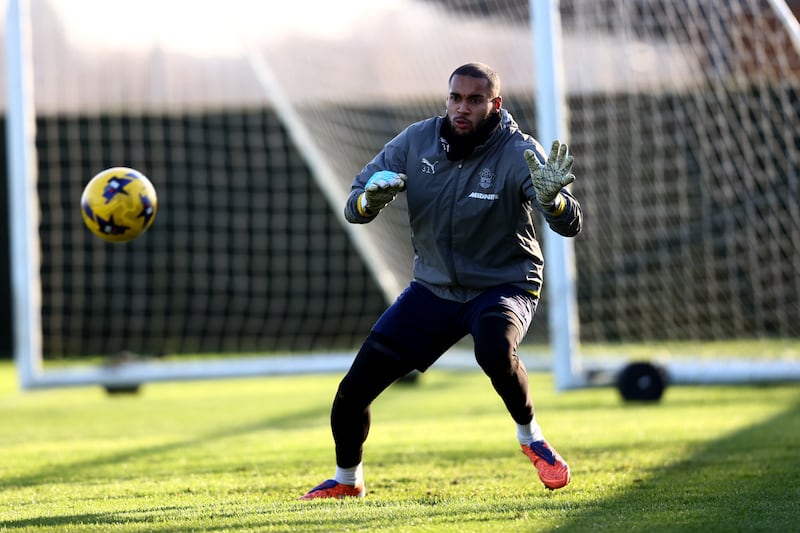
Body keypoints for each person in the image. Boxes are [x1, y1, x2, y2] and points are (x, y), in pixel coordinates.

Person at [300, 62, 582, 499]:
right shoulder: (416, 141)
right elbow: (354, 203)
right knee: (352, 392)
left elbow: (569, 224)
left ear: (495, 104)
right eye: (455, 97)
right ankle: (346, 480)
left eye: (474, 99)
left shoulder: (519, 153)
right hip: (433, 289)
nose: (461, 108)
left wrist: (556, 204)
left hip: (503, 285)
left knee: (493, 348)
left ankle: (531, 437)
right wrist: (370, 200)